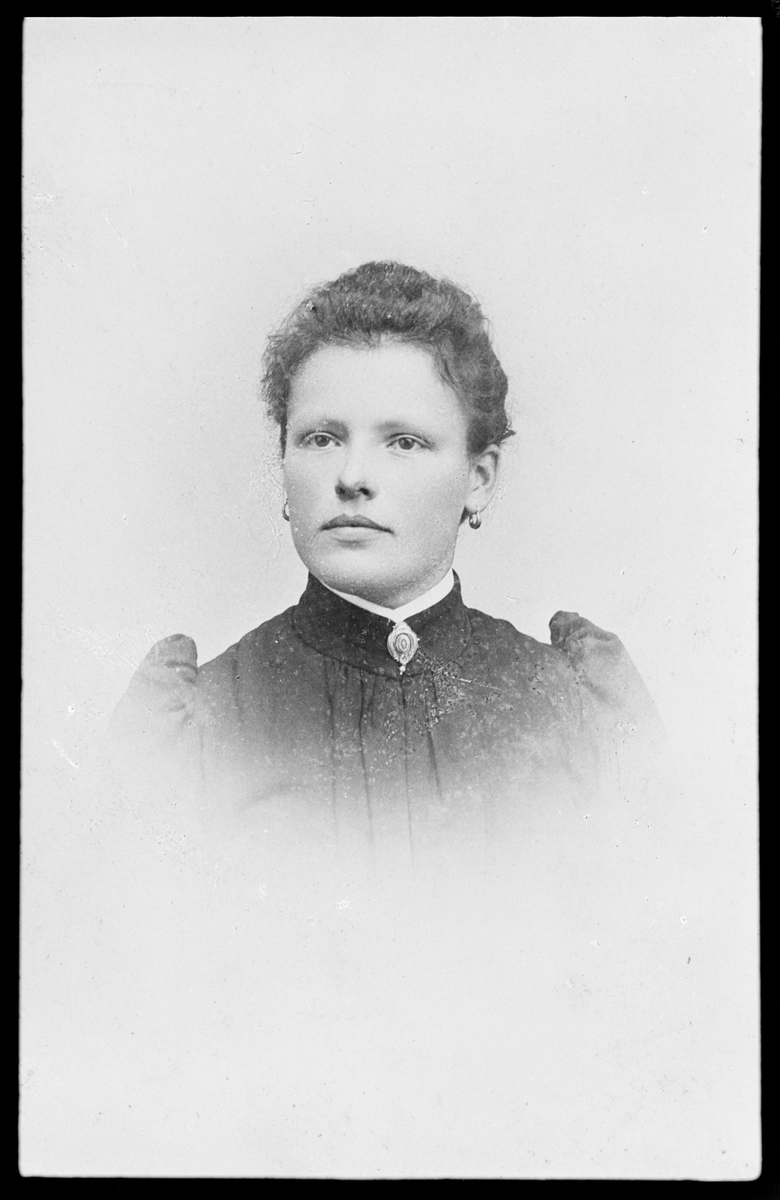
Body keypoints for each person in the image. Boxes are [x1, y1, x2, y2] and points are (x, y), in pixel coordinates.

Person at [106, 260, 670, 890]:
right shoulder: (199, 722)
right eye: (321, 439)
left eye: (403, 442)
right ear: (284, 463)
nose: (352, 477)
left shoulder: (579, 711)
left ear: (479, 478)